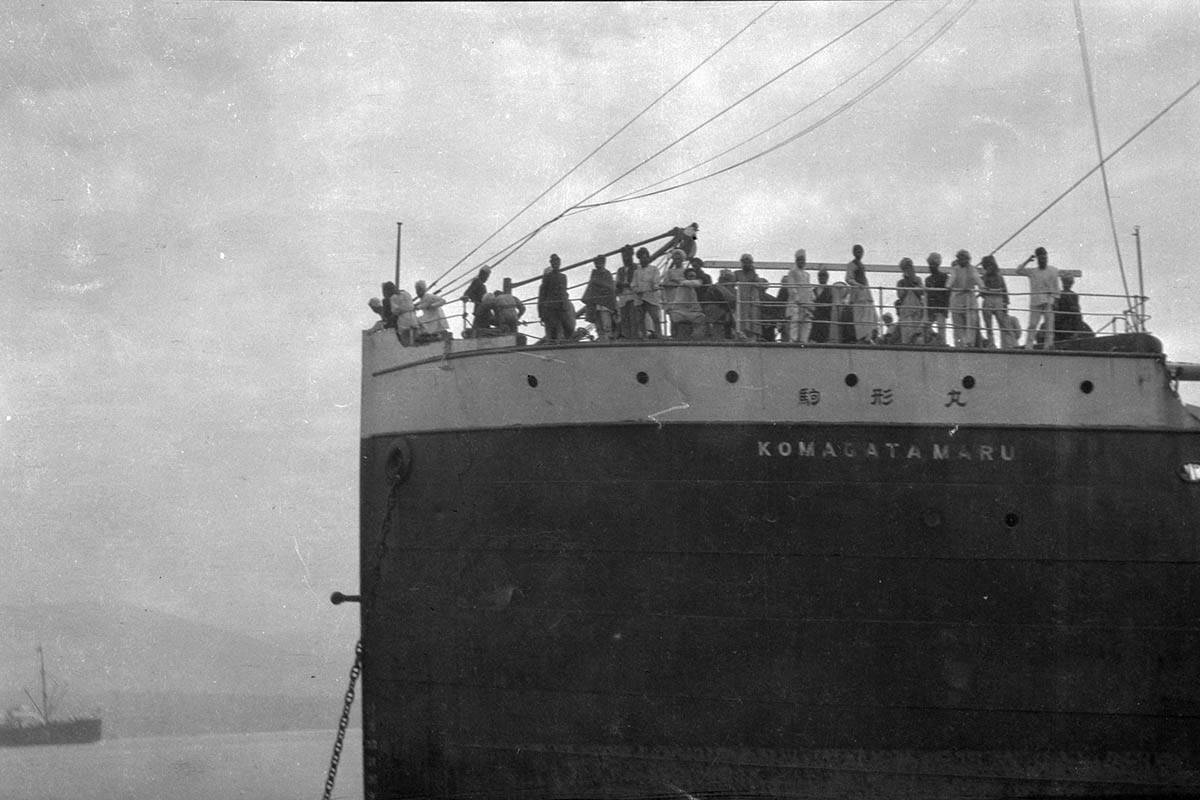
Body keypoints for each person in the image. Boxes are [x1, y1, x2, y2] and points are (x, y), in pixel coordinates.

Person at [1016, 246, 1061, 349]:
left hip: (1048, 301)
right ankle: (1029, 346)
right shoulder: (1033, 272)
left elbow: (1056, 287)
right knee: (1032, 325)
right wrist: (1027, 261)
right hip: (1035, 302)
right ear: (1037, 259)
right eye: (1041, 258)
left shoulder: (1053, 271)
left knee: (1049, 326)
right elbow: (1018, 271)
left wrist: (1056, 300)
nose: (1043, 260)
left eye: (1045, 258)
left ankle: (1048, 346)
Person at [661, 258, 707, 339]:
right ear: (686, 277)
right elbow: (693, 283)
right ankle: (679, 336)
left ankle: (696, 337)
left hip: (693, 311)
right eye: (690, 276)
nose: (692, 278)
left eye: (694, 276)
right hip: (681, 311)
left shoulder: (691, 286)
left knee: (701, 318)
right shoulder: (683, 285)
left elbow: (695, 283)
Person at [947, 249, 982, 347]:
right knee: (958, 326)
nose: (962, 261)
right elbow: (951, 280)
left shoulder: (972, 269)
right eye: (960, 258)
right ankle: (960, 345)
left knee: (971, 323)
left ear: (967, 259)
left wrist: (982, 286)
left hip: (969, 300)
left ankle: (970, 343)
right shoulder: (955, 269)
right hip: (957, 300)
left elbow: (977, 279)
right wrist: (949, 286)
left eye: (964, 259)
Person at [844, 244, 877, 343]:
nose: (859, 253)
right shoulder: (851, 265)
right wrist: (858, 285)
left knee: (868, 315)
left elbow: (864, 279)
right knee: (859, 318)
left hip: (865, 294)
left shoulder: (862, 265)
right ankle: (861, 337)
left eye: (860, 251)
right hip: (858, 295)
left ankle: (868, 337)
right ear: (854, 253)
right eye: (857, 251)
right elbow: (848, 278)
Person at [538, 254, 575, 341]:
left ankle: (560, 341)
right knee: (550, 329)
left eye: (557, 262)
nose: (556, 264)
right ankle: (551, 342)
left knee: (561, 327)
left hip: (561, 306)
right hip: (550, 306)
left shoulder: (563, 277)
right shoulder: (548, 278)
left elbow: (564, 291)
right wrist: (542, 313)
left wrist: (565, 303)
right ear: (551, 263)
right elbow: (543, 295)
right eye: (554, 262)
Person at [580, 254, 617, 340]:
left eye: (600, 262)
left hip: (605, 304)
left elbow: (610, 288)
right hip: (595, 303)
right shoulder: (594, 274)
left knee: (606, 325)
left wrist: (599, 284)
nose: (598, 264)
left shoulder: (607, 274)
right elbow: (591, 288)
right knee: (598, 326)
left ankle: (607, 340)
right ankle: (601, 339)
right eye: (596, 263)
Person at [733, 253, 767, 340]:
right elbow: (731, 284)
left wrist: (754, 277)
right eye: (744, 262)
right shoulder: (737, 273)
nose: (746, 264)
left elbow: (761, 284)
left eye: (748, 262)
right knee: (741, 320)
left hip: (751, 302)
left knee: (753, 319)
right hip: (741, 301)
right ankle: (741, 335)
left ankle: (753, 337)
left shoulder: (754, 275)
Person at [631, 246, 663, 338]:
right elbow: (633, 284)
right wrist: (637, 290)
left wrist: (655, 286)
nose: (643, 260)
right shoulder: (636, 272)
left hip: (651, 296)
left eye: (645, 258)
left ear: (648, 258)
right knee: (640, 319)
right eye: (641, 258)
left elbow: (656, 281)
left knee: (655, 317)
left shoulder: (654, 269)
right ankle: (644, 336)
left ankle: (659, 335)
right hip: (640, 298)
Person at [784, 249, 815, 344]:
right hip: (796, 303)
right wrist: (797, 299)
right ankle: (793, 341)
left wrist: (811, 299)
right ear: (796, 260)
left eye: (803, 259)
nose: (802, 261)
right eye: (800, 259)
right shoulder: (792, 272)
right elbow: (792, 287)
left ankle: (803, 340)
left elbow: (809, 288)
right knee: (795, 322)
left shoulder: (806, 274)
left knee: (806, 322)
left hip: (806, 303)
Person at [978, 254, 1008, 348]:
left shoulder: (999, 277)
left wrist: (1005, 303)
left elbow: (1004, 291)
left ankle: (1006, 344)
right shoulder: (984, 277)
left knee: (1002, 323)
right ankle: (992, 344)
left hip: (997, 299)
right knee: (989, 325)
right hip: (989, 299)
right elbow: (982, 291)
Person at [894, 258, 926, 344]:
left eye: (910, 267)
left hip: (917, 309)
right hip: (906, 310)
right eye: (906, 268)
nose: (909, 269)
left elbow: (921, 292)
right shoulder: (900, 282)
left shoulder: (918, 280)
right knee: (906, 335)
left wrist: (912, 282)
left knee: (917, 335)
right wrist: (906, 283)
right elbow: (900, 295)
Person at [1053, 275, 1092, 342]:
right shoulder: (1062, 295)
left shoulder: (1072, 295)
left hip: (1069, 321)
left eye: (1068, 282)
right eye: (1066, 282)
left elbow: (1076, 311)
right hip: (1062, 321)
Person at [703, 269, 738, 339]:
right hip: (715, 310)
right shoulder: (716, 287)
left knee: (731, 317)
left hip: (723, 310)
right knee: (727, 318)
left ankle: (728, 335)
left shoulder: (726, 288)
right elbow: (730, 299)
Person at [924, 253, 949, 345]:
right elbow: (927, 295)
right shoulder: (928, 279)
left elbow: (947, 294)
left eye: (933, 264)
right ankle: (933, 340)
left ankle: (941, 343)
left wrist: (946, 309)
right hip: (931, 307)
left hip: (940, 307)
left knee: (941, 327)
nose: (931, 267)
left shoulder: (944, 277)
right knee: (925, 326)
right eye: (930, 264)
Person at [615, 245, 639, 340]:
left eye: (627, 255)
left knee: (634, 319)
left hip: (633, 296)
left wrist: (625, 285)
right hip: (623, 297)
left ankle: (634, 337)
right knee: (624, 319)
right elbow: (617, 283)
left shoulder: (637, 267)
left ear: (631, 255)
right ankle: (627, 337)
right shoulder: (620, 270)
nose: (625, 258)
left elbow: (637, 282)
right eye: (623, 256)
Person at [460, 266, 492, 331]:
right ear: (482, 274)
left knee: (481, 325)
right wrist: (466, 296)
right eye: (487, 276)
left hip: (482, 308)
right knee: (480, 325)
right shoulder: (477, 282)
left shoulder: (480, 283)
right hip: (481, 308)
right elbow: (469, 291)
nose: (487, 279)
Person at [809, 269, 833, 343]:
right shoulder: (813, 291)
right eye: (820, 276)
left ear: (827, 278)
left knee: (824, 340)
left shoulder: (830, 291)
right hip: (814, 319)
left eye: (824, 276)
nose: (822, 278)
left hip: (825, 320)